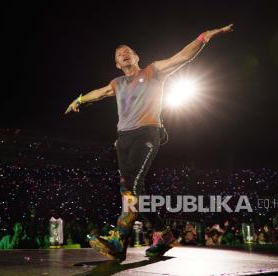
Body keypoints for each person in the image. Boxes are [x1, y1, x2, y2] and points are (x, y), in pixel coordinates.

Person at [65, 24, 234, 261]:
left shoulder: (153, 71)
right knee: (134, 192)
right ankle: (162, 234)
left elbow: (182, 57)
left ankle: (118, 239)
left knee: (132, 189)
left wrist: (204, 37)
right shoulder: (117, 83)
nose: (123, 54)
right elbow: (100, 92)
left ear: (136, 57)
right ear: (116, 64)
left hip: (147, 133)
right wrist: (79, 99)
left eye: (127, 51)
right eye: (118, 54)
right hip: (123, 139)